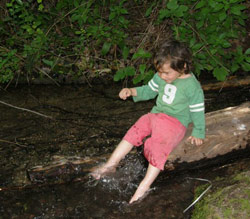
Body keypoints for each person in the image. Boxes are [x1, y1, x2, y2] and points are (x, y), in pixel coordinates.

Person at [91, 40, 205, 204]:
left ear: (183, 67)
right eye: (160, 72)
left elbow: (197, 109)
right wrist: (132, 91)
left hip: (175, 123)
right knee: (137, 127)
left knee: (157, 146)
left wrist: (199, 131)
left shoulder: (192, 86)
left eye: (166, 73)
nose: (162, 76)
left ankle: (144, 186)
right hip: (156, 115)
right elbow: (149, 90)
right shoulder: (161, 76)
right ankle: (111, 164)